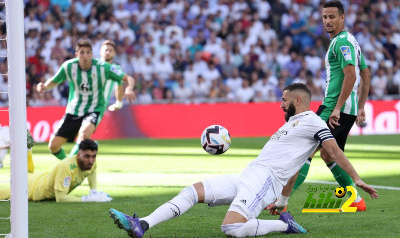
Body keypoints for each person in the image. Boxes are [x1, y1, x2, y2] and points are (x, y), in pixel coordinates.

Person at [109, 83, 378, 238]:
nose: (280, 105)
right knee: (193, 191)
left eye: (284, 100)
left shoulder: (312, 122)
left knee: (232, 227)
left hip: (264, 181)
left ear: (298, 100)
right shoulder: (294, 123)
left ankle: (284, 225)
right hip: (249, 175)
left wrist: (356, 178)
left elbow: (332, 150)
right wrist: (284, 200)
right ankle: (141, 224)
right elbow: (298, 164)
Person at [290, 0, 371, 211]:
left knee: (305, 150)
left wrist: (336, 107)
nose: (327, 21)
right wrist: (360, 107)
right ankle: (355, 200)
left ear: (342, 18)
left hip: (334, 108)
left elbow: (352, 74)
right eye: (325, 17)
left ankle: (281, 202)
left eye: (332, 17)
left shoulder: (341, 42)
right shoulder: (351, 41)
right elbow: (366, 74)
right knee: (328, 153)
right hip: (349, 110)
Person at [36, 39, 135, 160]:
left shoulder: (106, 67)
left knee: (83, 135)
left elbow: (127, 79)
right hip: (74, 110)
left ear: (92, 54)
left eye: (88, 52)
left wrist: (128, 90)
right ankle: (71, 164)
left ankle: (72, 167)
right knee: (53, 146)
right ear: (76, 54)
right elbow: (54, 80)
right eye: (82, 52)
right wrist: (44, 86)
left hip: (95, 108)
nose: (85, 56)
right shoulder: (69, 66)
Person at [0, 139, 112, 202]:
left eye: (94, 156)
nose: (91, 160)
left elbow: (91, 171)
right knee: (4, 193)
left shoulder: (91, 163)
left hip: (41, 178)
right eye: (87, 156)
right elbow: (61, 198)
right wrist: (89, 199)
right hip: (34, 189)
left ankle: (28, 150)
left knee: (27, 173)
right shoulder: (66, 167)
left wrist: (93, 191)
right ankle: (18, 147)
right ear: (78, 155)